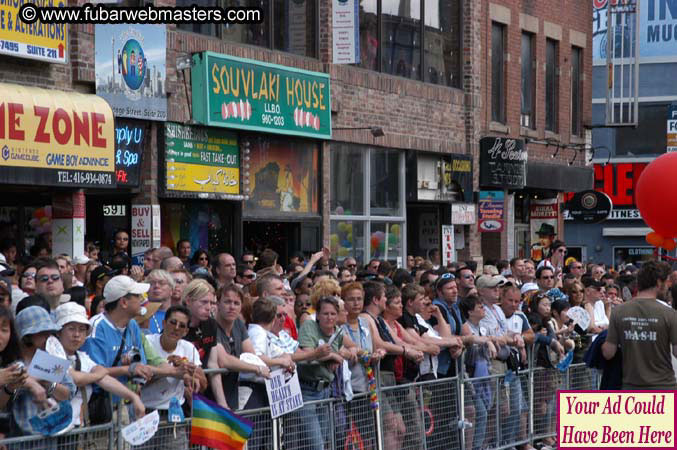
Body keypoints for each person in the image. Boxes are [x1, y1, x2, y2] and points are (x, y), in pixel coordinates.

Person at [54, 302, 145, 429]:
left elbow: (105, 378)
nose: (77, 335)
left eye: (81, 330)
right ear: (58, 331)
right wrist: (97, 374)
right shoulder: (49, 355)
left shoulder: (82, 357)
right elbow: (75, 379)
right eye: (71, 328)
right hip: (48, 432)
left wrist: (133, 397)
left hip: (71, 431)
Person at [182, 279, 267, 409]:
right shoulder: (177, 324)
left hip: (209, 395)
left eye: (211, 303)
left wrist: (222, 403)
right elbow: (223, 361)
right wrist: (257, 369)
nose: (208, 307)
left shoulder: (210, 325)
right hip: (180, 395)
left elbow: (213, 364)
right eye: (204, 302)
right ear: (188, 301)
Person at [603, 260, 677, 389]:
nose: (667, 287)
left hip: (631, 388)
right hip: (664, 388)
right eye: (666, 283)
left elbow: (608, 352)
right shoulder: (670, 314)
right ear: (659, 282)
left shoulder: (619, 311)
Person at [297, 296, 358, 450]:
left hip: (326, 390)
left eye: (332, 314)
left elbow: (352, 348)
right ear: (317, 314)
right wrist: (331, 356)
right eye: (325, 314)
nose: (329, 317)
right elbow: (308, 353)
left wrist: (350, 352)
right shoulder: (309, 326)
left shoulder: (337, 331)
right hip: (308, 390)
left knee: (325, 441)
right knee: (316, 444)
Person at [143, 305, 205, 447]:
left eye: (182, 326)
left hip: (173, 416)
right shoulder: (147, 342)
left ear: (186, 331)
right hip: (145, 414)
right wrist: (171, 371)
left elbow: (202, 384)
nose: (176, 328)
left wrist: (190, 371)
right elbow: (139, 379)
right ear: (164, 323)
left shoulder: (189, 348)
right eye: (173, 322)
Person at [11, 306, 76, 437]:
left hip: (49, 436)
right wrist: (30, 382)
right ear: (27, 336)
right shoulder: (11, 363)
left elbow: (68, 393)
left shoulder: (49, 361)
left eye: (49, 331)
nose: (47, 335)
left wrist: (47, 382)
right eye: (41, 332)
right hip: (20, 439)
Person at [82, 276, 154, 393]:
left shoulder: (132, 324)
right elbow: (93, 373)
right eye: (137, 295)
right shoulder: (96, 328)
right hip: (102, 403)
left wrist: (136, 368)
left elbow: (142, 364)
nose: (142, 299)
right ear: (124, 302)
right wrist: (126, 369)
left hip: (126, 402)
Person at [146, 269, 175, 334]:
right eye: (151, 283)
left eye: (162, 283)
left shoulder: (178, 315)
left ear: (172, 290)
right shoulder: (141, 315)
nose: (156, 286)